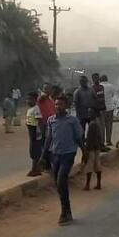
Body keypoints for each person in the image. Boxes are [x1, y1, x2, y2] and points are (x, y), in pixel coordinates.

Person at [42, 95, 84, 225]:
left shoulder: (72, 120)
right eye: (56, 104)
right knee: (58, 183)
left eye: (60, 104)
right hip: (55, 155)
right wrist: (43, 156)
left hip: (68, 154)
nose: (58, 107)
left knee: (61, 180)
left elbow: (78, 138)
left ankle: (65, 211)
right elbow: (49, 139)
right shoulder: (51, 120)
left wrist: (85, 151)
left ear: (66, 106)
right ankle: (67, 210)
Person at [83, 110, 104, 191]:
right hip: (97, 147)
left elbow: (90, 139)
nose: (88, 115)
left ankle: (87, 185)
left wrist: (86, 150)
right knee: (97, 165)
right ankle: (98, 183)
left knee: (89, 166)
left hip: (91, 148)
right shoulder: (97, 123)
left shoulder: (92, 124)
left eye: (90, 113)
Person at [24, 91, 44, 177]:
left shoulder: (36, 109)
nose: (28, 101)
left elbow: (39, 120)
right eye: (27, 99)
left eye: (30, 99)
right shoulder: (30, 109)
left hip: (35, 131)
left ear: (35, 100)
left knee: (35, 151)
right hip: (31, 131)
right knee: (33, 150)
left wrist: (40, 132)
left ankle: (35, 169)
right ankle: (37, 168)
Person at [100, 75, 117, 146]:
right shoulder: (111, 86)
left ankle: (102, 141)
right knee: (109, 125)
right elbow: (113, 95)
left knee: (102, 126)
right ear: (107, 79)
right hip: (110, 108)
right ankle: (108, 141)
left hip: (101, 108)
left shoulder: (99, 86)